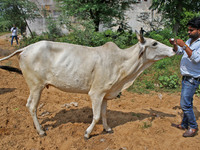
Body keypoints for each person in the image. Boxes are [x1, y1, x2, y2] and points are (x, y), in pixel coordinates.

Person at [170, 16, 200, 137]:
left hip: (192, 78)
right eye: (188, 30)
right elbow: (179, 53)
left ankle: (193, 127)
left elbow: (196, 59)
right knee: (188, 102)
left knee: (185, 104)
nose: (188, 32)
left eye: (191, 30)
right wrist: (176, 45)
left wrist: (184, 46)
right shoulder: (190, 41)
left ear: (199, 30)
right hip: (186, 77)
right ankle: (184, 124)